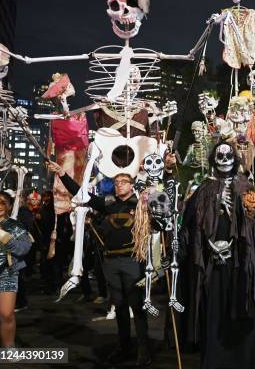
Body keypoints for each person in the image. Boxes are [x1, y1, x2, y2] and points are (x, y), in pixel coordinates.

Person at [47, 155, 176, 367]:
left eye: (123, 182)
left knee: (138, 306)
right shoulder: (108, 203)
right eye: (116, 182)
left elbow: (164, 202)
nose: (118, 185)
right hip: (111, 262)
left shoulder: (143, 203)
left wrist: (167, 171)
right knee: (121, 307)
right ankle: (124, 347)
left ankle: (144, 350)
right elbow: (82, 194)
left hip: (134, 261)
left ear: (132, 185)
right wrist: (62, 174)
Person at [184, 141, 255, 369]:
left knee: (244, 300)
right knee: (215, 307)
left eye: (228, 156)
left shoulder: (246, 186)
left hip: (241, 260)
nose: (224, 161)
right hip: (213, 261)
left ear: (235, 159)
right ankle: (217, 359)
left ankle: (244, 359)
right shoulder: (204, 188)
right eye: (219, 156)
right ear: (213, 159)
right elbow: (190, 222)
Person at [0, 191, 32, 361]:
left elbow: (24, 249)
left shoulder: (16, 226)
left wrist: (3, 236)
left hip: (8, 272)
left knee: (6, 313)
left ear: (8, 206)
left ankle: (9, 346)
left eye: (2, 203)